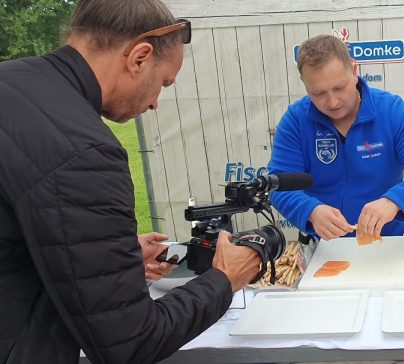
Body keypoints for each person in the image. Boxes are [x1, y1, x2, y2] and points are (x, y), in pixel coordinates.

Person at [0, 1, 263, 363]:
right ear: (139, 57)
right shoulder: (84, 150)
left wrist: (100, 262)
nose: (156, 103)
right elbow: (130, 342)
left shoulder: (14, 83)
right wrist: (224, 279)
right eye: (163, 83)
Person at [268, 35, 404, 241]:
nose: (332, 102)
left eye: (339, 88)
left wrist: (393, 201)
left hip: (385, 242)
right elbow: (277, 184)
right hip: (322, 246)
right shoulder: (296, 121)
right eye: (318, 93)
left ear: (354, 71)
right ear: (304, 83)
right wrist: (311, 210)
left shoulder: (391, 111)